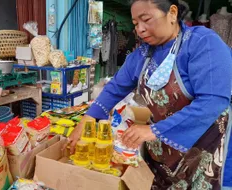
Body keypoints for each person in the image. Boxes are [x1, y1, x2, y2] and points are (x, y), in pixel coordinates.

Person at [65, 0, 232, 189]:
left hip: (206, 148)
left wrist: (154, 130)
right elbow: (115, 87)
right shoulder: (143, 54)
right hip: (163, 154)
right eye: (136, 24)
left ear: (172, 13)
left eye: (146, 20)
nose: (140, 30)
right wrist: (89, 117)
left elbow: (213, 101)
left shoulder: (202, 43)